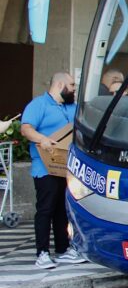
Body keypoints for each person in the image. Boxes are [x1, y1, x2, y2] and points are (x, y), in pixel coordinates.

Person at [20, 72, 87, 269]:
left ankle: (63, 249)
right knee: (46, 209)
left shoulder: (72, 107)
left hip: (67, 168)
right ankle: (42, 253)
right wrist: (42, 139)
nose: (74, 88)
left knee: (62, 210)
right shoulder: (38, 105)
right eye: (72, 85)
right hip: (44, 167)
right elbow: (26, 129)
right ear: (59, 84)